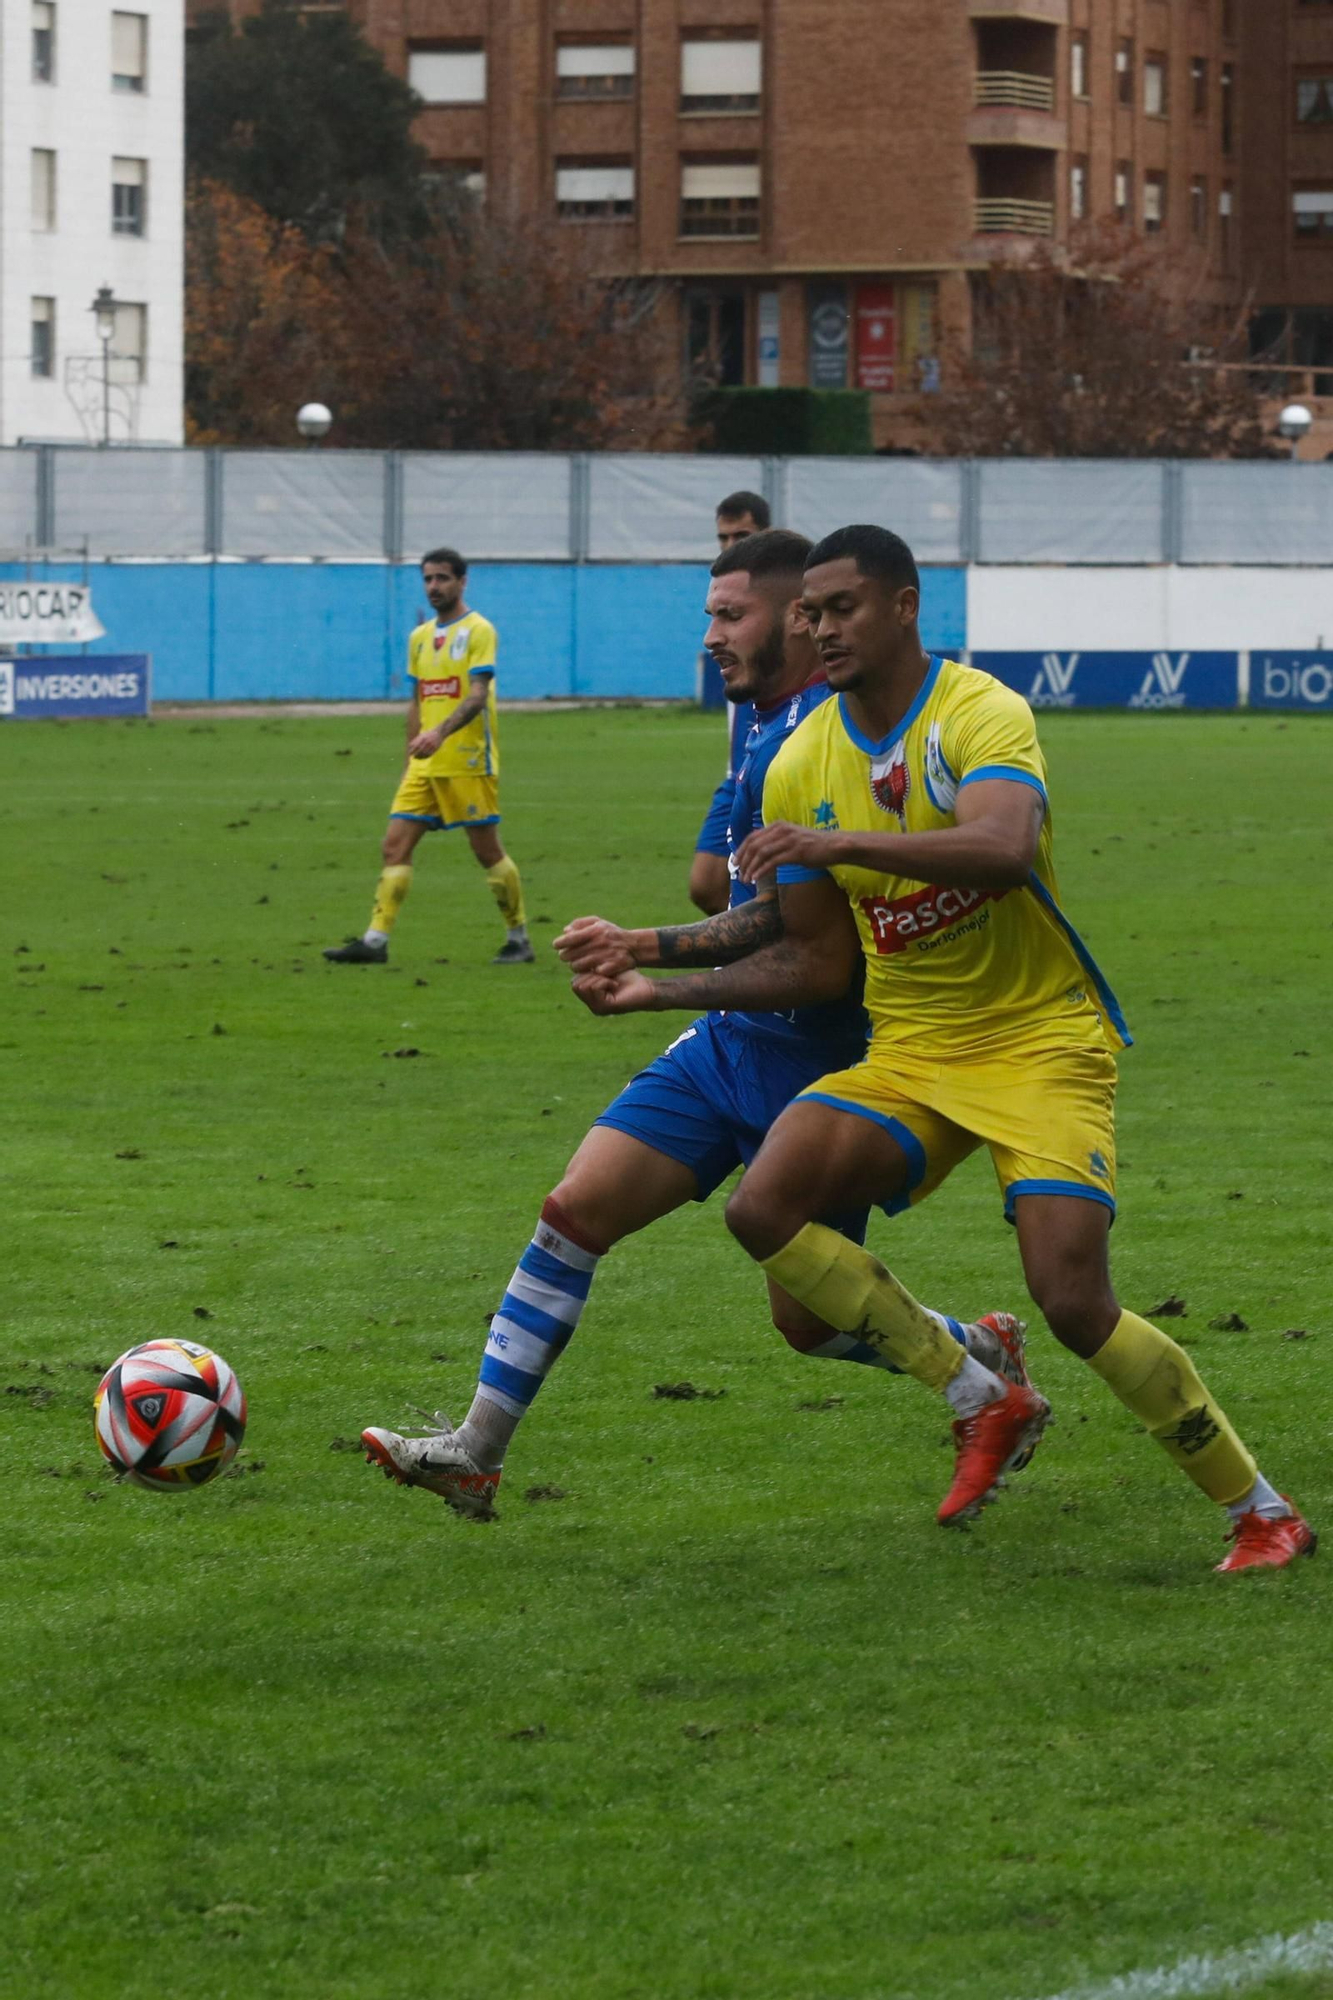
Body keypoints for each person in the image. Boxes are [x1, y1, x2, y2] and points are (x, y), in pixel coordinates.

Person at [569, 523, 1315, 1574]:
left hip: (1039, 1038)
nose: (821, 629)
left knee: (1071, 1298)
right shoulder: (798, 761)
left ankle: (1261, 1508)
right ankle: (980, 1388)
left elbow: (1003, 850)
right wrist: (655, 975)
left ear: (905, 606)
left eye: (842, 608)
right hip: (913, 1045)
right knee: (762, 1206)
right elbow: (819, 961)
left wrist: (838, 842)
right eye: (810, 613)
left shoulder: (977, 710)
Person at [359, 530, 1035, 1518]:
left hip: (825, 1065)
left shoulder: (822, 738)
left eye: (729, 615)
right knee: (575, 1208)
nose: (710, 634)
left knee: (803, 1325)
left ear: (797, 618)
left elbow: (820, 952)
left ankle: (975, 1360)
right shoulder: (768, 728)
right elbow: (751, 899)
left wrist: (655, 961)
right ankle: (476, 1449)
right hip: (735, 1042)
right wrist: (660, 938)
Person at [324, 546, 532, 967]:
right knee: (393, 846)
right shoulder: (419, 638)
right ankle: (375, 942)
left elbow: (477, 695)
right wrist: (409, 759)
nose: (434, 586)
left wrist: (439, 733)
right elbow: (417, 703)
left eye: (442, 578)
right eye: (427, 579)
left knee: (486, 852)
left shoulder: (478, 630)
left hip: (467, 760)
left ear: (462, 581)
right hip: (425, 763)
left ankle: (518, 938)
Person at [688, 491, 773, 917]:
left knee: (768, 888)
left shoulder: (781, 605)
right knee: (705, 886)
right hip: (736, 771)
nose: (730, 545)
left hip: (775, 766)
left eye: (742, 535)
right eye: (723, 537)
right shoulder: (725, 596)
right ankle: (749, 951)